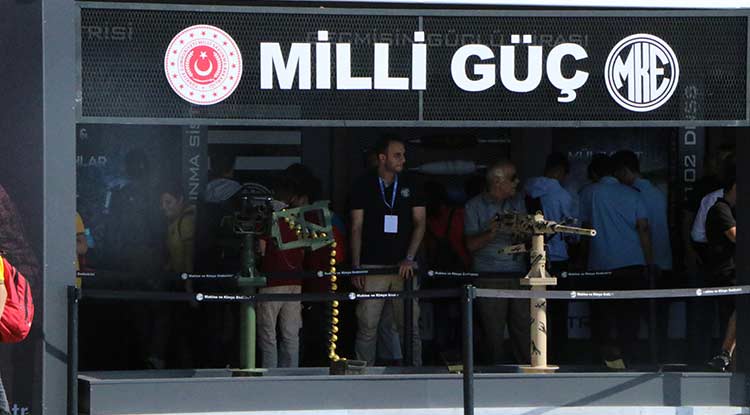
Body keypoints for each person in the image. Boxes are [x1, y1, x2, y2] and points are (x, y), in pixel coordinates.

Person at [350, 137, 425, 366]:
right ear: (382, 158)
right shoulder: (363, 183)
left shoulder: (412, 182)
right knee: (367, 325)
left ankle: (415, 374)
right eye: (397, 155)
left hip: (405, 268)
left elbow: (420, 223)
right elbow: (356, 227)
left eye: (403, 154)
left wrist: (409, 258)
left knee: (409, 326)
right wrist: (356, 266)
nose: (403, 159)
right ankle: (363, 376)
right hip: (372, 265)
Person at [581, 153, 653, 369]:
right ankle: (627, 358)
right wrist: (649, 263)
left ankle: (602, 361)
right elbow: (643, 229)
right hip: (631, 263)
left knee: (601, 317)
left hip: (600, 264)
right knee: (628, 317)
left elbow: (583, 229)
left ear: (595, 174)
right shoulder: (633, 194)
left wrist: (581, 259)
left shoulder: (589, 193)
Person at [464, 160, 530, 365]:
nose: (517, 182)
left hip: (518, 274)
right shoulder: (474, 206)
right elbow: (470, 245)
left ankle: (528, 372)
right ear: (498, 181)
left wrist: (521, 230)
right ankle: (494, 373)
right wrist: (491, 231)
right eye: (513, 178)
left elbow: (528, 239)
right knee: (493, 331)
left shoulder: (517, 202)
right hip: (489, 276)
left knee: (524, 328)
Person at [524, 152, 576, 363]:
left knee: (533, 309)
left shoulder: (528, 188)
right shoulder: (563, 196)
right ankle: (558, 355)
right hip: (557, 256)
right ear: (560, 171)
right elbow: (572, 232)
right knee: (558, 311)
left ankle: (535, 353)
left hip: (530, 256)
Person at [256, 174, 306, 368]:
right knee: (291, 335)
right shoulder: (298, 217)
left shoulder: (267, 217)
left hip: (272, 280)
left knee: (268, 335)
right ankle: (291, 374)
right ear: (292, 197)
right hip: (295, 282)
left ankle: (270, 375)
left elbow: (261, 249)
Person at [704, 173, 736, 371]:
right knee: (740, 308)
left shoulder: (731, 210)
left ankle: (727, 355)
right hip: (726, 273)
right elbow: (735, 236)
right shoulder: (720, 209)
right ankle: (725, 354)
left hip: (732, 272)